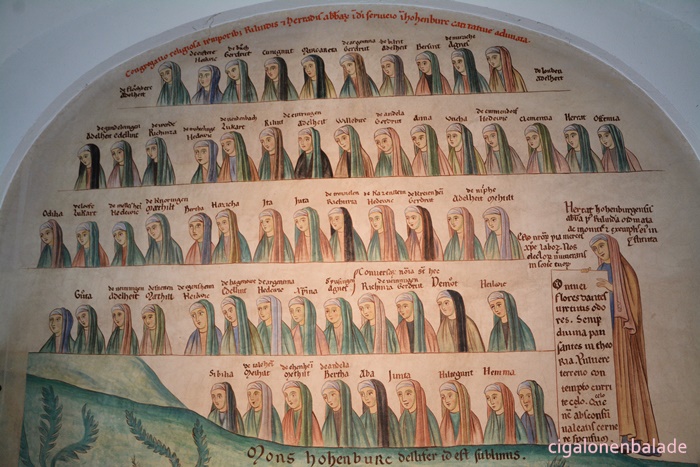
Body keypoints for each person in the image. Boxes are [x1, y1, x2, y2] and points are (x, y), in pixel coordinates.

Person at [587, 234, 658, 444]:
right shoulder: (601, 269)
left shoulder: (625, 270)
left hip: (623, 334)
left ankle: (639, 437)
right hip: (607, 335)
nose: (599, 251)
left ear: (612, 245)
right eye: (595, 249)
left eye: (601, 246)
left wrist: (611, 288)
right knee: (614, 385)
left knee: (628, 382)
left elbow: (633, 304)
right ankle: (623, 435)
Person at [321, 380, 369, 447]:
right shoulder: (327, 424)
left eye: (332, 394)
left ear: (341, 394)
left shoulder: (355, 422)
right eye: (325, 397)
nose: (329, 400)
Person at [396, 379, 441, 447]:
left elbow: (437, 443)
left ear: (417, 394)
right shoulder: (402, 420)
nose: (403, 399)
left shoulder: (428, 417)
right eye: (400, 394)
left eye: (408, 393)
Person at [358, 379, 402, 447]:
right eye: (362, 394)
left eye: (370, 393)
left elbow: (398, 442)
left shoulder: (390, 417)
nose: (366, 397)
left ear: (378, 393)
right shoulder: (362, 419)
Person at [439, 380, 484, 445]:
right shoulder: (444, 422)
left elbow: (479, 443)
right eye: (443, 397)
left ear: (459, 395)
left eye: (450, 395)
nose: (446, 400)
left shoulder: (473, 420)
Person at [282, 381, 323, 446]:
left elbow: (317, 442)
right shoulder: (287, 416)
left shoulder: (309, 416)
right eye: (286, 395)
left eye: (293, 395)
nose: (289, 399)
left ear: (302, 395)